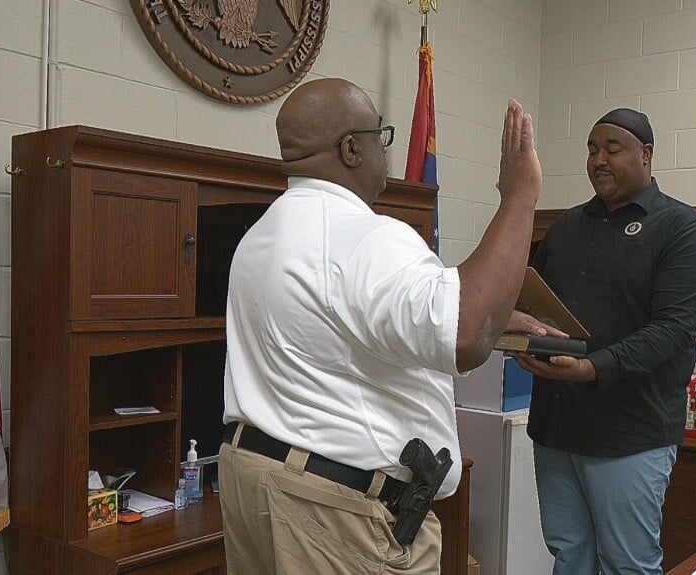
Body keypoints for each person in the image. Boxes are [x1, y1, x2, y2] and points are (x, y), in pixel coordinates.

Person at [219, 77, 543, 574]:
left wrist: (499, 321)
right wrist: (519, 197)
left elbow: (342, 325)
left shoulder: (263, 236)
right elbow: (466, 335)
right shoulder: (364, 236)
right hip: (333, 511)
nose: (384, 150)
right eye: (380, 135)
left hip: (258, 483)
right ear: (351, 149)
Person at [511, 108, 696, 575]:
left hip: (629, 434)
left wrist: (591, 368)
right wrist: (519, 329)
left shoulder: (682, 230)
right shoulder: (566, 228)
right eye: (591, 150)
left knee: (627, 564)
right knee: (569, 554)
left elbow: (672, 332)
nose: (598, 160)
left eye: (612, 149)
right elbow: (532, 301)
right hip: (557, 427)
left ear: (646, 154)